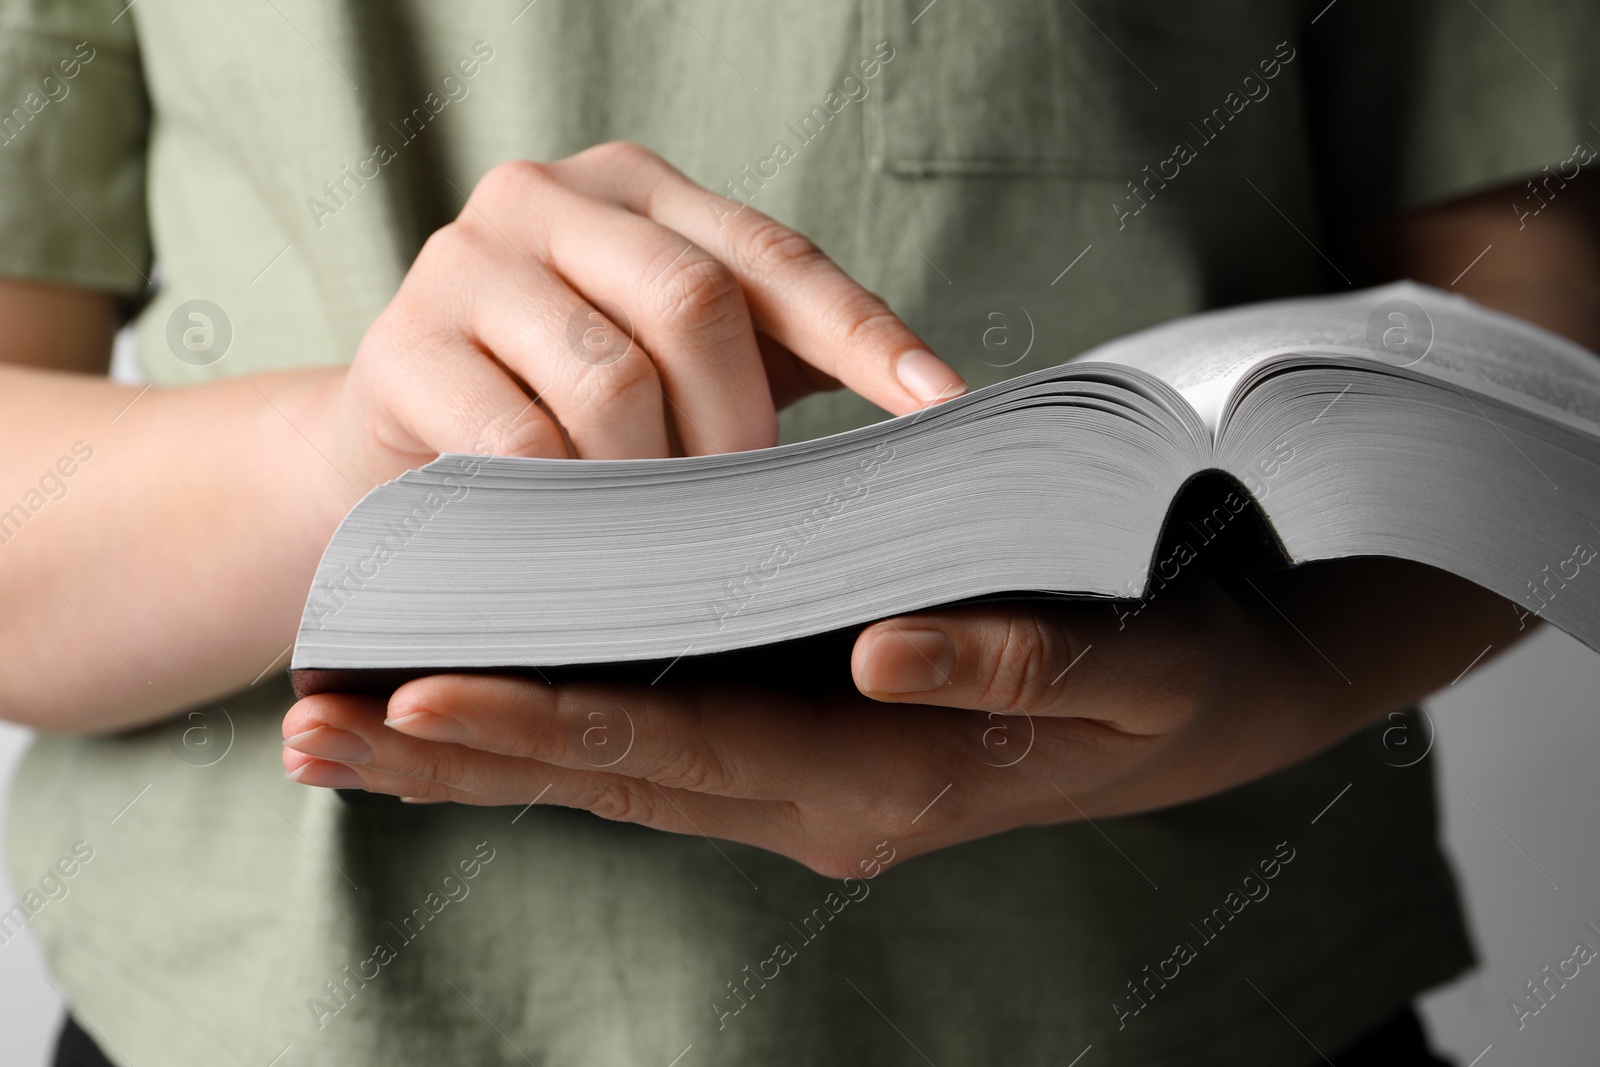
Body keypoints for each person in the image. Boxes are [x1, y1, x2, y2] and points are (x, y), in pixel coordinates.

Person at [2, 1, 1596, 1064]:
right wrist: (357, 461)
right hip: (266, 1016)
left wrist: (1261, 673)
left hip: (1195, 998)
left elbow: (1528, 323)